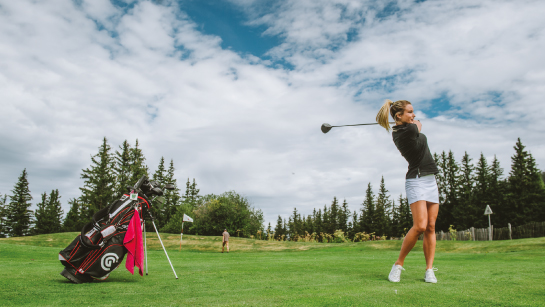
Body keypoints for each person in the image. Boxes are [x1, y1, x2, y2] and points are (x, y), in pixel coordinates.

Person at [376, 99, 440, 283]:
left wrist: (411, 122)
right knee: (420, 225)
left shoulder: (405, 128)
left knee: (431, 227)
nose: (414, 115)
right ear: (398, 115)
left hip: (430, 179)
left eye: (413, 113)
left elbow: (415, 125)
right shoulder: (403, 132)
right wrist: (414, 124)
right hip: (416, 180)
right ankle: (398, 265)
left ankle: (429, 270)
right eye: (410, 112)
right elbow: (417, 126)